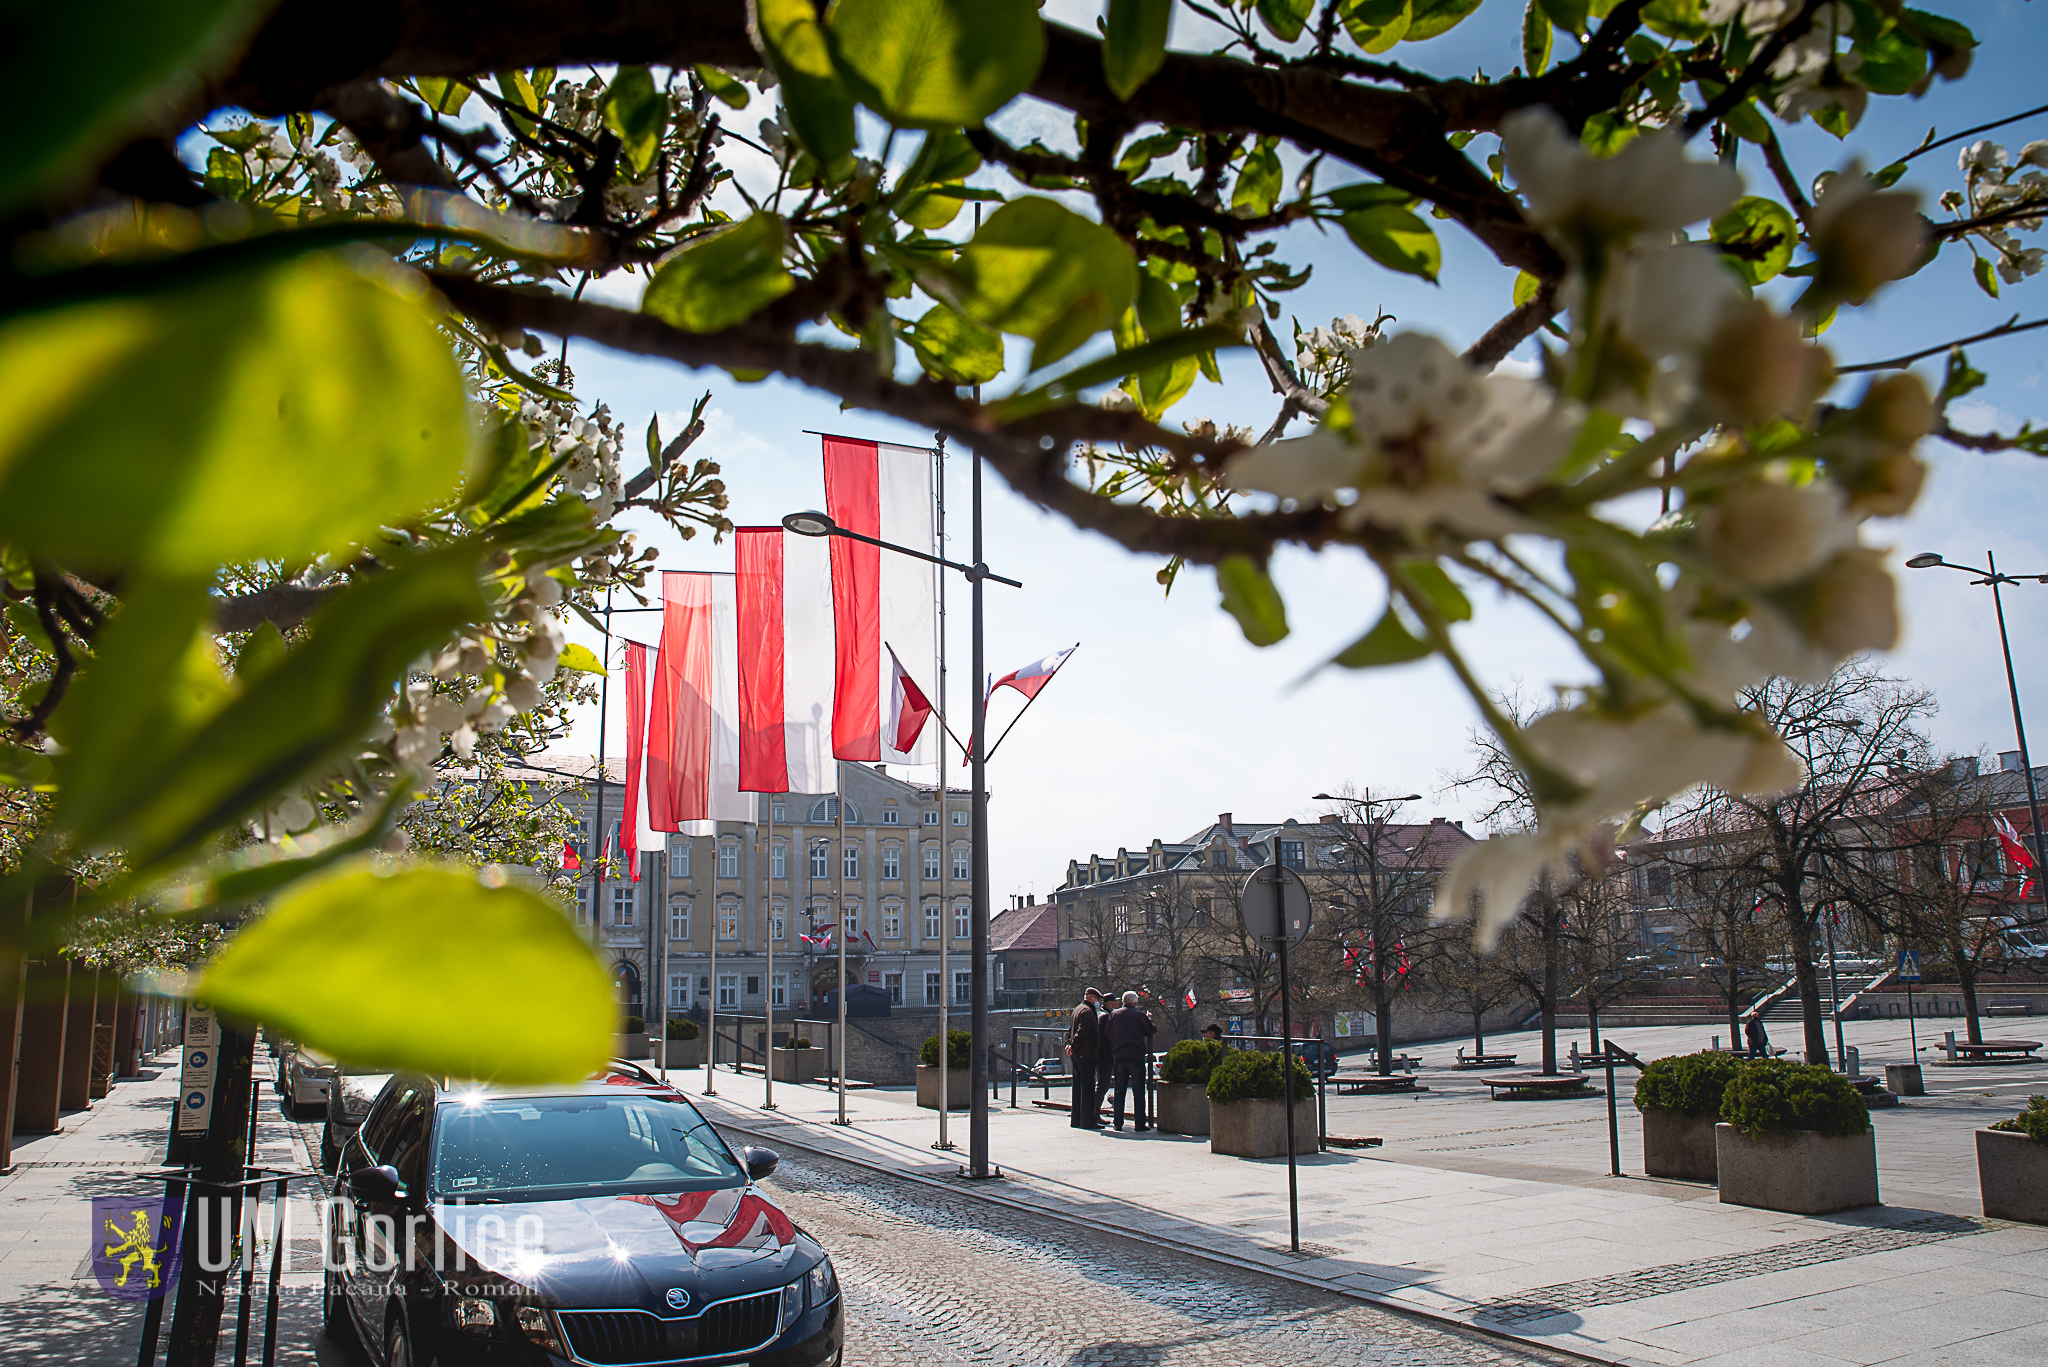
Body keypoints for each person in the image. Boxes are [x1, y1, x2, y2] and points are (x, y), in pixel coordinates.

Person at [1103, 990, 1158, 1132]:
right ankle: (1139, 1123)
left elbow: (1108, 1033)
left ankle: (1118, 1123)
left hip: (1119, 1056)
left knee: (1119, 1091)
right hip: (1136, 1056)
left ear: (1123, 1002)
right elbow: (1150, 1030)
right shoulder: (1139, 1015)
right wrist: (1149, 1019)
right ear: (1135, 1002)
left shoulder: (1114, 1015)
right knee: (1138, 1091)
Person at [1063, 987, 1105, 1129]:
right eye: (1097, 999)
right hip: (1086, 1054)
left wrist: (1069, 1046)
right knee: (1087, 1090)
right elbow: (1082, 1031)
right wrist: (1073, 1046)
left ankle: (1077, 1120)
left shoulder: (1077, 1010)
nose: (1098, 1002)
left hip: (1077, 1056)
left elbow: (1069, 1032)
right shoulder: (1087, 1012)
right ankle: (1088, 1121)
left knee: (1077, 1089)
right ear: (1091, 998)